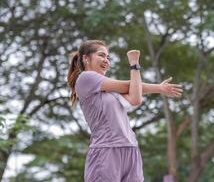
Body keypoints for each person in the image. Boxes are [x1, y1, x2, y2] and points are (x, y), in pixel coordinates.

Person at [67, 40, 183, 182]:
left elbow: (135, 97)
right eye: (101, 55)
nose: (106, 60)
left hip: (130, 148)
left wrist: (159, 88)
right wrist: (134, 65)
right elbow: (129, 85)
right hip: (107, 150)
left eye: (108, 57)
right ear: (86, 58)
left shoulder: (111, 91)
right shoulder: (86, 78)